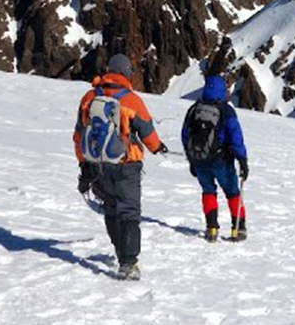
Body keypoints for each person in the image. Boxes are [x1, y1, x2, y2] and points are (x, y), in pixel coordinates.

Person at [74, 54, 167, 280]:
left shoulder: (89, 97)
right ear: (125, 73)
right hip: (127, 163)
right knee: (130, 212)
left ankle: (120, 252)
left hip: (98, 164)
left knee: (111, 209)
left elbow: (79, 135)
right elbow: (146, 130)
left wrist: (84, 163)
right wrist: (157, 148)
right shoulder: (130, 99)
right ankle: (129, 262)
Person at [181, 73, 249, 242]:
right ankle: (238, 228)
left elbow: (185, 135)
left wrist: (191, 159)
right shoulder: (225, 110)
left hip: (199, 159)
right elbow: (235, 137)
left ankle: (211, 228)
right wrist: (242, 160)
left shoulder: (194, 109)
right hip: (221, 160)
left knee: (208, 191)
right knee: (233, 192)